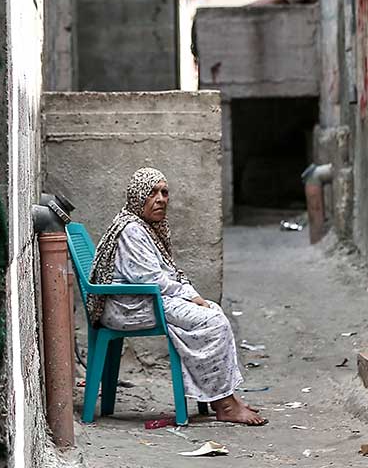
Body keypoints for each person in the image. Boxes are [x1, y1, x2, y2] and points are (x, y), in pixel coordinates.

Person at [88, 167, 267, 426]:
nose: (161, 198)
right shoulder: (131, 230)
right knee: (213, 322)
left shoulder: (144, 226)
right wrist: (188, 295)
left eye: (164, 192)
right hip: (130, 306)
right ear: (138, 196)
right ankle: (224, 405)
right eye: (152, 193)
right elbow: (150, 280)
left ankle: (225, 397)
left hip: (146, 299)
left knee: (213, 311)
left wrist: (191, 294)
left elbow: (166, 273)